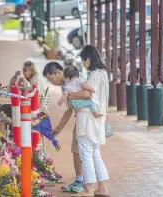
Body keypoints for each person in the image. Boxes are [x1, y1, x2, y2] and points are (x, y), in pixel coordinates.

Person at [70, 45, 110, 197]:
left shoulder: (94, 74)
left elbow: (87, 93)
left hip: (88, 119)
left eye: (83, 60)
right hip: (98, 119)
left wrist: (70, 96)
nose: (82, 63)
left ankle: (88, 189)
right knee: (95, 154)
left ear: (88, 59)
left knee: (86, 154)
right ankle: (103, 188)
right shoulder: (104, 74)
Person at [42, 61, 85, 193]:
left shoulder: (75, 80)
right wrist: (58, 128)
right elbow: (69, 109)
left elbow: (87, 95)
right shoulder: (64, 87)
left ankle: (82, 182)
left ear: (59, 72)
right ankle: (81, 180)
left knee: (79, 151)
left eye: (52, 79)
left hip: (86, 119)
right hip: (81, 119)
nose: (52, 83)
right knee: (77, 150)